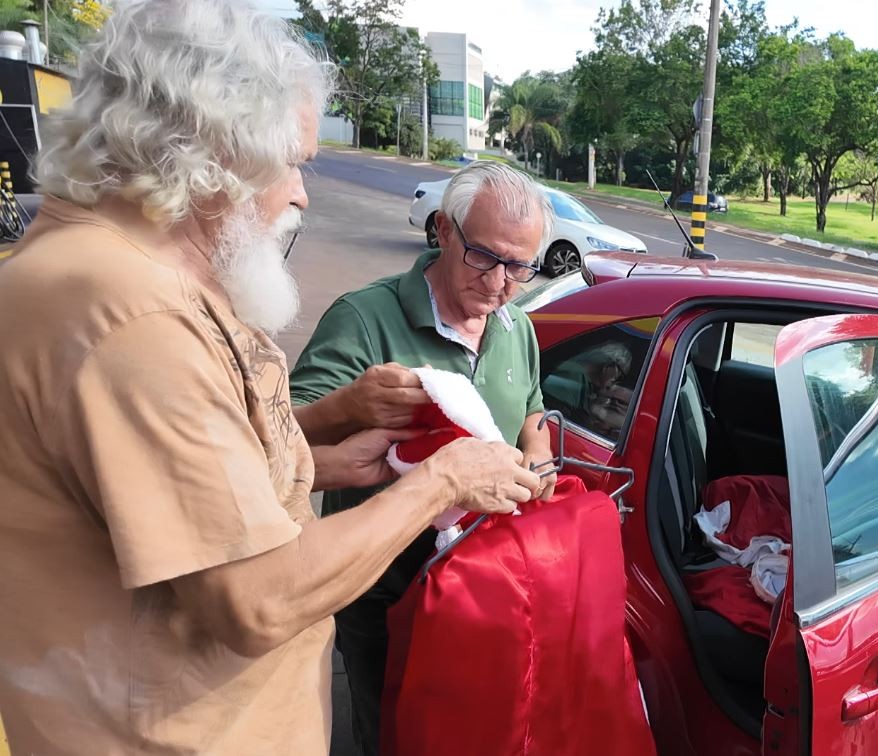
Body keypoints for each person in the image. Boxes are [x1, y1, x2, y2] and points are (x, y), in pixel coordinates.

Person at [0, 1, 538, 753]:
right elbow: (253, 601)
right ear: (215, 147)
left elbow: (154, 495)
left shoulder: (121, 276)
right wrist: (443, 482)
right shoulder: (132, 316)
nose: (300, 192)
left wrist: (310, 459)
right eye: (292, 161)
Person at [289, 160, 558, 754]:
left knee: (466, 726)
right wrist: (352, 404)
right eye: (484, 257)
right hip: (382, 580)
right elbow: (279, 437)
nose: (498, 284)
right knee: (391, 728)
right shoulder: (364, 318)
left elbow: (532, 406)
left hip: (483, 581)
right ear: (443, 230)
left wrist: (537, 451)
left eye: (520, 267)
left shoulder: (515, 327)